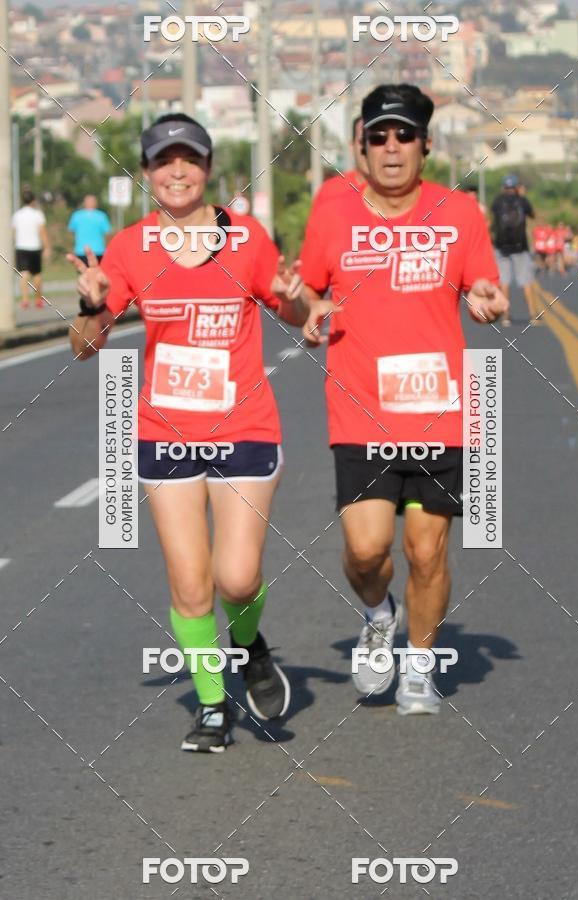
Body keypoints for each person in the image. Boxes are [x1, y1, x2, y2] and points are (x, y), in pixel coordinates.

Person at [68, 114, 310, 752]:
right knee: (190, 583)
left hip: (245, 426)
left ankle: (251, 645)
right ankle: (211, 707)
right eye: (162, 161)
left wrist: (293, 297)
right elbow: (85, 349)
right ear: (146, 173)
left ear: (207, 168)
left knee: (236, 578)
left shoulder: (247, 238)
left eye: (189, 159)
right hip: (163, 429)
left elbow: (293, 311)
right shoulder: (128, 249)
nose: (176, 171)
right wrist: (92, 306)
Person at [299, 84, 507, 715]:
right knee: (366, 552)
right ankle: (376, 613)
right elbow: (306, 289)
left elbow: (487, 290)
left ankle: (418, 663)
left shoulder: (460, 212)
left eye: (405, 136)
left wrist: (491, 304)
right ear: (361, 148)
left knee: (426, 550)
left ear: (426, 145)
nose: (392, 149)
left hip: (439, 411)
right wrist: (307, 313)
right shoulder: (332, 210)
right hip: (360, 409)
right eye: (379, 137)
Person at [490, 175, 537, 327]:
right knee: (526, 281)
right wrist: (522, 196)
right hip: (520, 247)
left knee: (504, 282)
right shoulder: (522, 201)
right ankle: (533, 315)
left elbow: (492, 218)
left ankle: (506, 316)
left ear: (504, 187)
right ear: (517, 187)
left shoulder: (498, 201)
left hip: (501, 247)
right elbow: (533, 215)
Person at [311, 115, 369, 208]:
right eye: (363, 141)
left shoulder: (398, 193)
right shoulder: (330, 192)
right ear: (352, 147)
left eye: (377, 140)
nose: (369, 149)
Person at [12, 189, 51, 309]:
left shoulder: (17, 215)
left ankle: (25, 300)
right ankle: (38, 299)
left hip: (21, 247)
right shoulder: (38, 214)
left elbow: (13, 232)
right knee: (37, 274)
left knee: (23, 274)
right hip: (35, 247)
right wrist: (47, 247)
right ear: (33, 200)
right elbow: (43, 232)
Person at [68, 194, 112, 265]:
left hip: (83, 250)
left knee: (84, 273)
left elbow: (71, 232)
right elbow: (108, 234)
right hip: (96, 250)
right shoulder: (101, 216)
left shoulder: (76, 215)